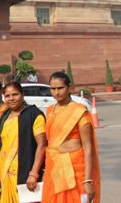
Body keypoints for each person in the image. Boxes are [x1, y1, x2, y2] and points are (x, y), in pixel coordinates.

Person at [42, 72, 100, 203]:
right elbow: (49, 142)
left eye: (60, 88)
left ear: (69, 87)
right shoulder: (50, 110)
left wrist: (88, 180)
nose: (56, 92)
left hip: (75, 168)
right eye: (53, 88)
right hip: (54, 166)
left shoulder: (79, 111)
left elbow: (87, 147)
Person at [0, 82, 47, 203]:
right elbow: (0, 147)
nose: (11, 98)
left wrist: (34, 173)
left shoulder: (34, 114)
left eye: (15, 94)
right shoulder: (4, 116)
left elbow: (42, 145)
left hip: (24, 171)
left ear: (23, 95)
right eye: (7, 96)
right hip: (4, 171)